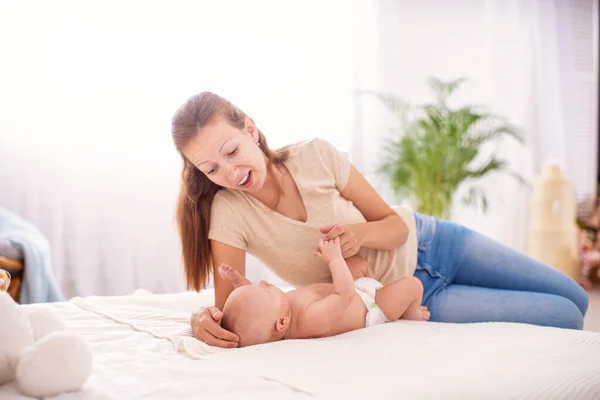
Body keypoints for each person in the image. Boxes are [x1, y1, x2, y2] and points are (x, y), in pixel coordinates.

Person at [171, 92, 589, 348]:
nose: (228, 173)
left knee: (580, 296)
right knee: (567, 314)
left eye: (231, 151)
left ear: (250, 129)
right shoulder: (230, 212)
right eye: (210, 169)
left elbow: (393, 225)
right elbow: (230, 311)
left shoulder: (315, 154)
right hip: (410, 296)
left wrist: (357, 234)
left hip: (434, 239)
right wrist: (201, 321)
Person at [218, 237, 429, 347]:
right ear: (281, 324)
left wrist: (239, 282)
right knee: (412, 285)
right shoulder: (310, 319)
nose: (264, 283)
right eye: (266, 291)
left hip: (357, 288)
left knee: (356, 262)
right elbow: (345, 297)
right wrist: (334, 259)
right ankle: (410, 313)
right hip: (370, 306)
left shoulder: (277, 311)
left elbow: (254, 303)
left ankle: (372, 281)